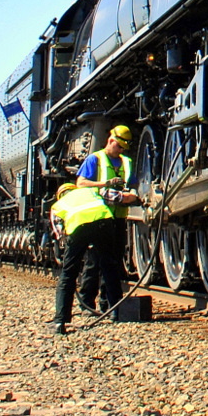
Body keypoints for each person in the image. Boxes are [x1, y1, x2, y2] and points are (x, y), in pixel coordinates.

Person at [75, 126, 139, 314]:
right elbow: (81, 183)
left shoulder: (127, 162)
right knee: (94, 261)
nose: (121, 151)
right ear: (111, 141)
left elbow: (133, 184)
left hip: (118, 218)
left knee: (113, 262)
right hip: (98, 218)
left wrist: (132, 196)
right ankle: (87, 304)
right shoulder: (95, 159)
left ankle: (107, 303)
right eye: (119, 146)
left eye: (123, 148)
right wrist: (106, 184)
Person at [49, 183, 123, 335]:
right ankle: (116, 311)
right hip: (103, 223)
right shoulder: (90, 191)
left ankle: (60, 322)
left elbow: (59, 232)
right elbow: (116, 197)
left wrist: (70, 247)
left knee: (68, 273)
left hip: (78, 228)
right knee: (109, 266)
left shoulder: (58, 205)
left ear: (60, 195)